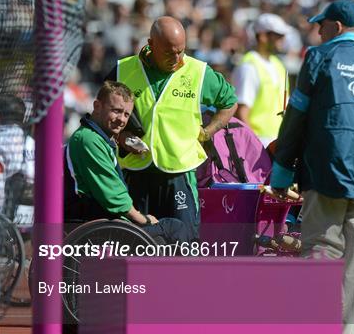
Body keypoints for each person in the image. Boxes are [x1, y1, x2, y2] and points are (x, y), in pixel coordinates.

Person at [269, 0, 354, 334]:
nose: (317, 31)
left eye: (320, 26)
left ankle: (314, 332)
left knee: (320, 248)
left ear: (337, 27)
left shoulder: (319, 57)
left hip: (325, 171)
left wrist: (281, 171)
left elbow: (296, 118)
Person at [106, 16, 238, 239]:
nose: (177, 58)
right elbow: (104, 116)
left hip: (180, 174)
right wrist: (122, 137)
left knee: (184, 243)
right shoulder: (122, 70)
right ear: (151, 44)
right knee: (134, 242)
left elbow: (230, 102)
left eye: (181, 51)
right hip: (136, 174)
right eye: (169, 52)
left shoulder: (199, 72)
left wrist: (208, 131)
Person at [64, 81, 193, 243]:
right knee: (174, 228)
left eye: (126, 114)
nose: (121, 120)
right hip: (94, 226)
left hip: (103, 223)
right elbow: (114, 198)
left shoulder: (101, 139)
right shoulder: (89, 139)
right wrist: (143, 219)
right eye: (116, 111)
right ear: (97, 106)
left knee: (164, 236)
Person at [231, 13, 289, 147]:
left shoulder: (278, 65)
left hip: (276, 143)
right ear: (263, 36)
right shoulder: (248, 66)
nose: (283, 39)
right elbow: (242, 112)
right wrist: (254, 146)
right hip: (259, 145)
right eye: (278, 35)